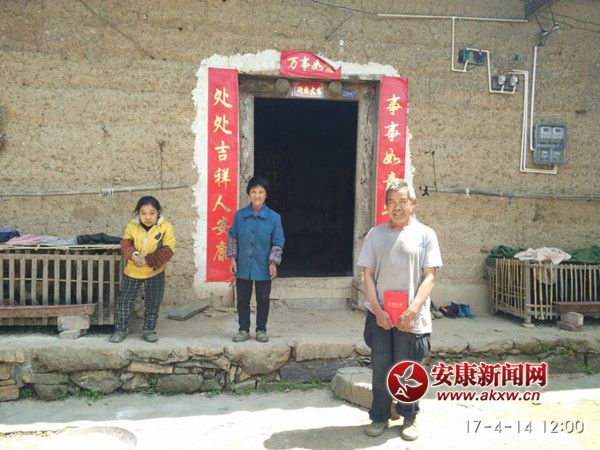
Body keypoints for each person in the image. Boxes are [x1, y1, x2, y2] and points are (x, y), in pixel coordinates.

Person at [358, 179, 442, 441]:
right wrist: (377, 309)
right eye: (392, 202)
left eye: (403, 201)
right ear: (385, 206)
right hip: (381, 316)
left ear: (413, 203)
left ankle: (409, 417)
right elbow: (367, 274)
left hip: (410, 318)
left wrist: (412, 310)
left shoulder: (426, 235)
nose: (397, 207)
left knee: (408, 369)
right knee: (381, 368)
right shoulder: (375, 235)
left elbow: (429, 276)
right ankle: (379, 416)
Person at [109, 196, 176, 343]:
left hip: (155, 270)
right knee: (124, 300)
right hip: (133, 269)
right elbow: (125, 243)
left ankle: (149, 330)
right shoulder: (132, 226)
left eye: (152, 213)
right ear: (138, 213)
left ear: (158, 213)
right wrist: (133, 255)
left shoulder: (166, 227)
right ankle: (120, 330)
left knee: (153, 301)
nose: (148, 217)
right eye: (143, 213)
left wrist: (148, 260)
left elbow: (169, 249)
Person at [227, 176, 284, 343]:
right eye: (253, 192)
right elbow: (233, 238)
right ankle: (243, 330)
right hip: (243, 264)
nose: (257, 195)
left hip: (263, 265)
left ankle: (261, 330)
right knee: (242, 300)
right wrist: (232, 259)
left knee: (263, 299)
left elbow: (278, 242)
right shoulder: (239, 216)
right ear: (248, 194)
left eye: (260, 192)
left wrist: (273, 263)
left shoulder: (274, 217)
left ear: (266, 195)